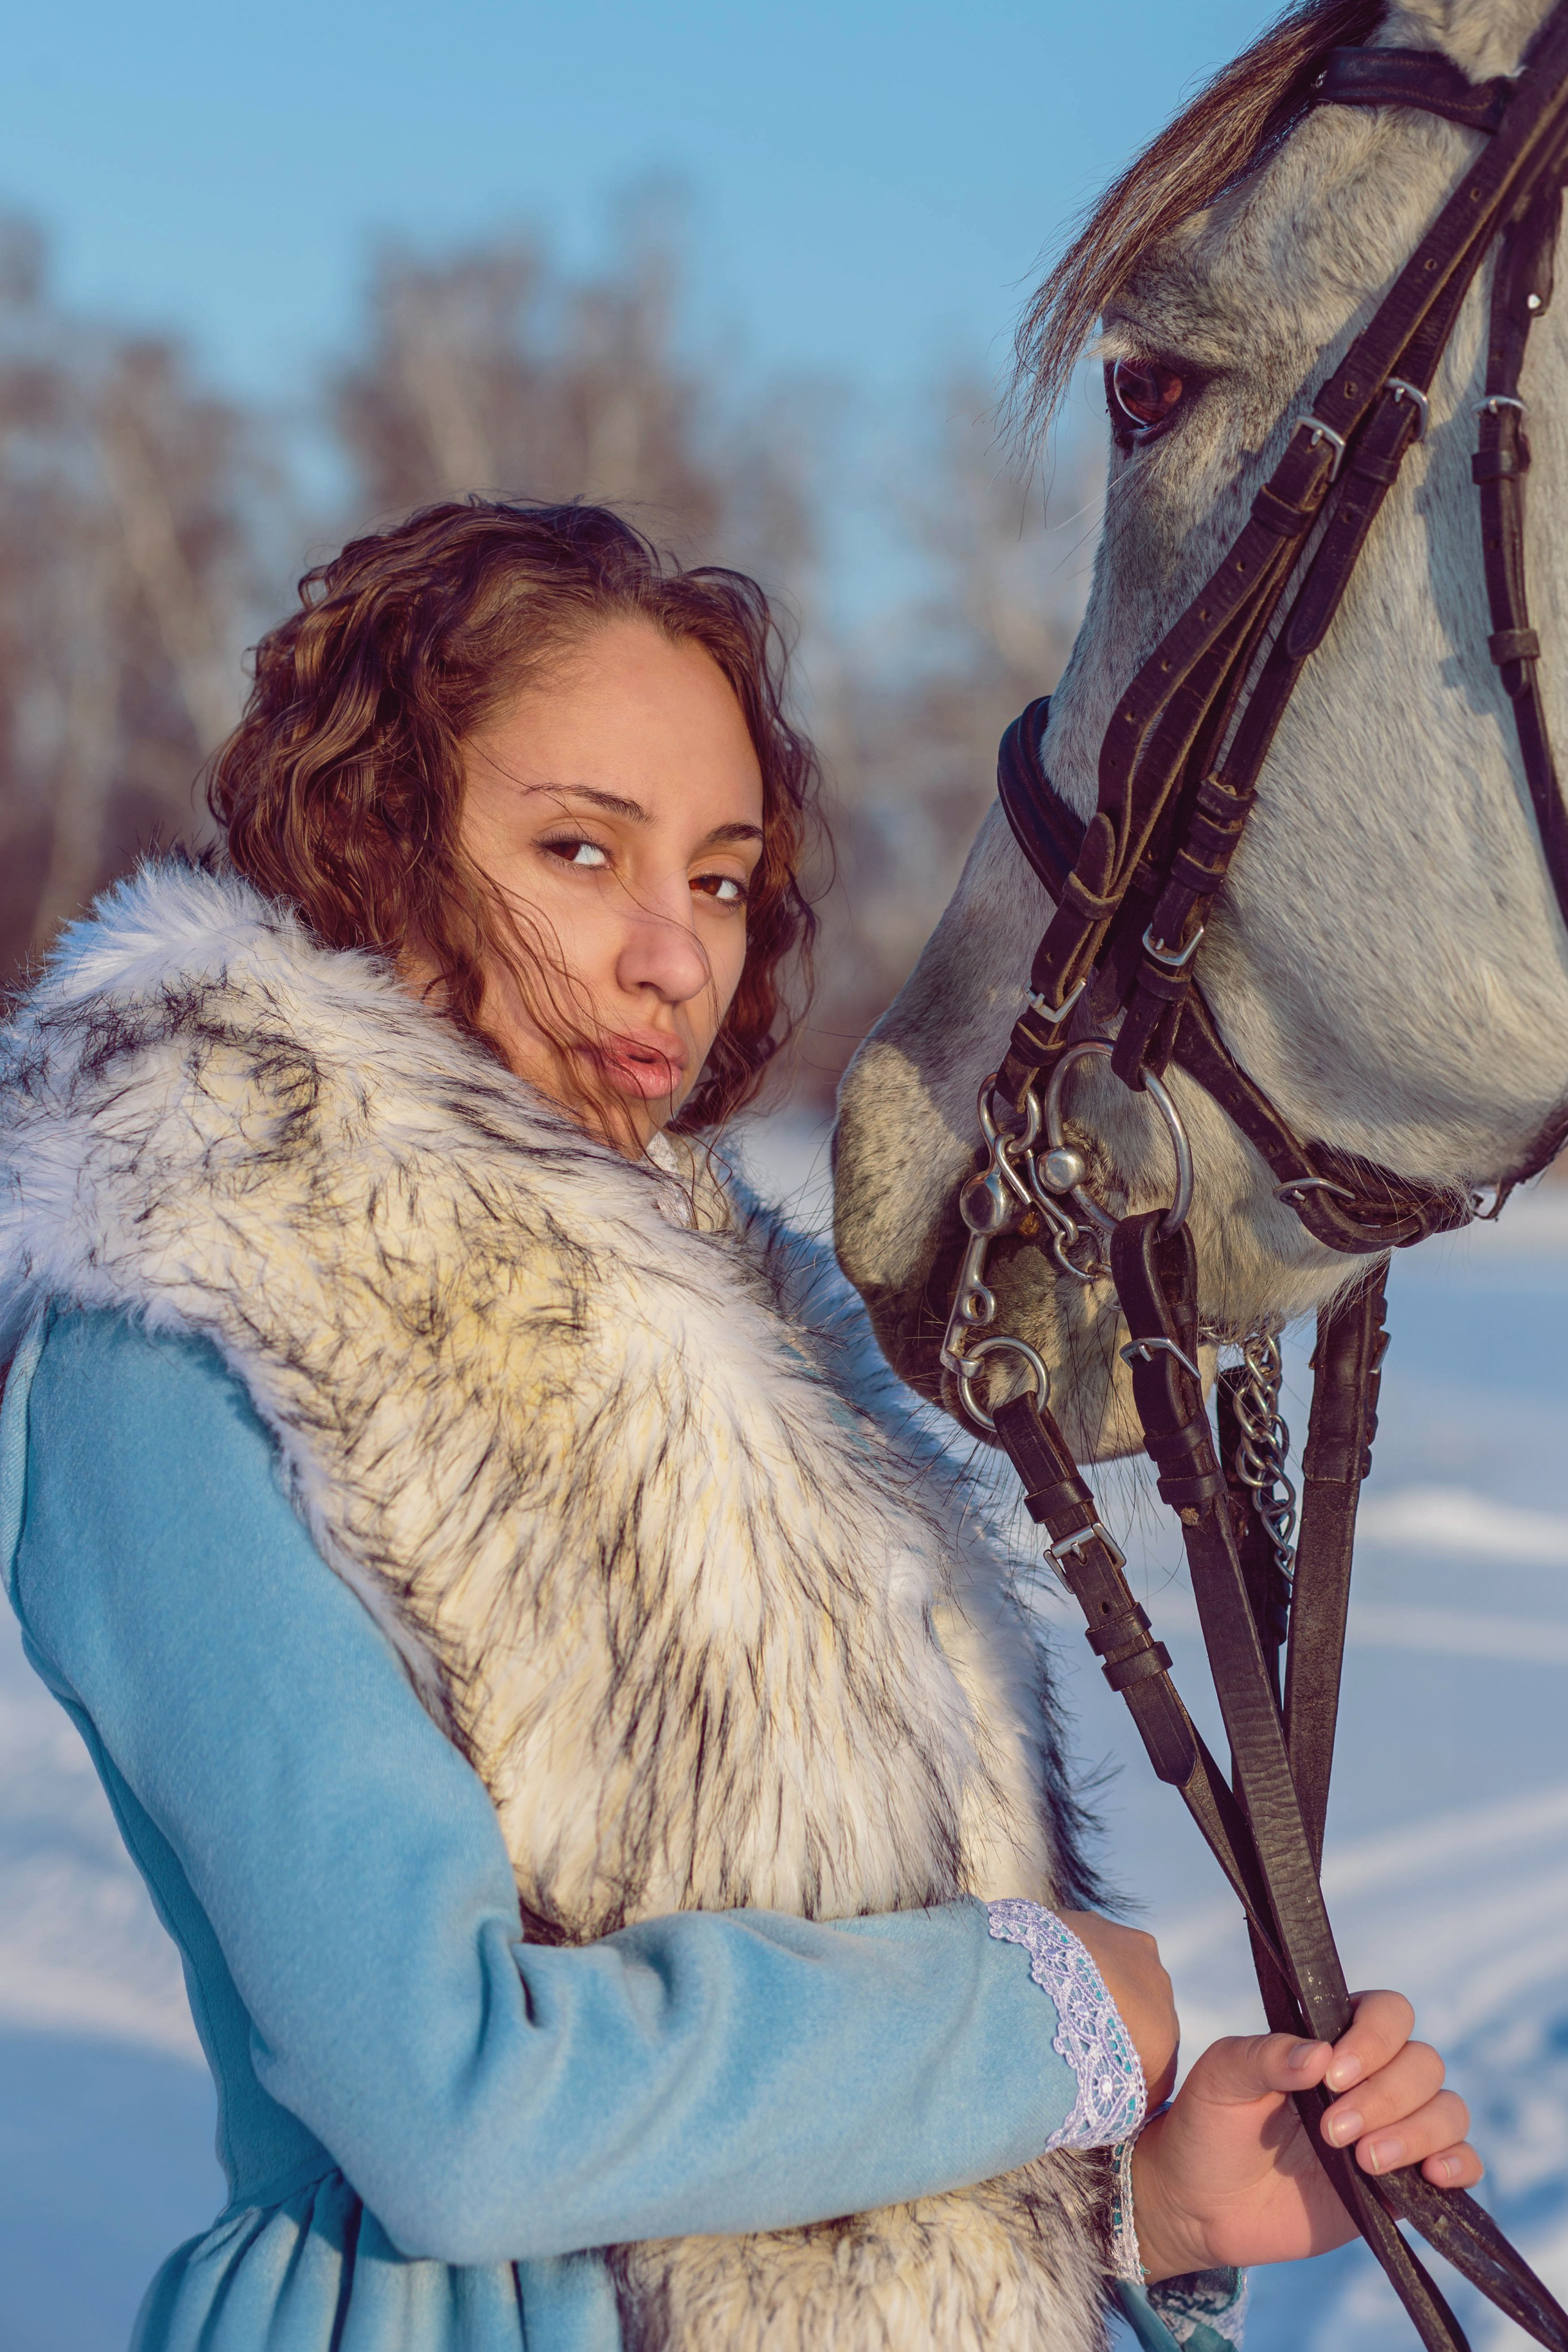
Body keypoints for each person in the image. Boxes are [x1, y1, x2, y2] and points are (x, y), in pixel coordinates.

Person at [0, 500, 1478, 2352]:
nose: (673, 957)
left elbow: (801, 2159)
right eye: (575, 849)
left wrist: (1142, 2212)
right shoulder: (188, 1324)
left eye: (714, 875)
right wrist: (1032, 2021)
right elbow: (455, 2112)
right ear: (369, 839)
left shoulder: (748, 1341)